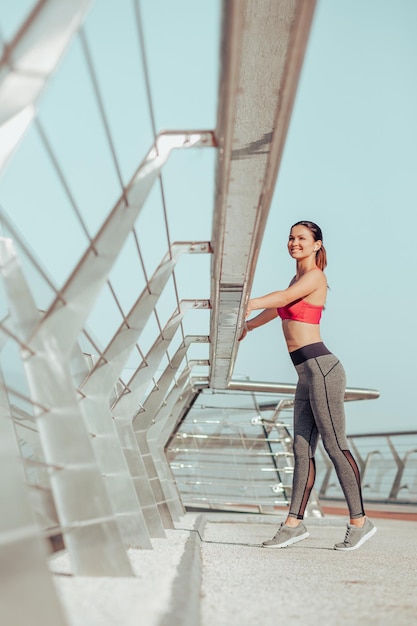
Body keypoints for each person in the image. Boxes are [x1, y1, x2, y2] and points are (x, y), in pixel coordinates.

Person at [241, 220, 376, 551]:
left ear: (317, 244)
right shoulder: (297, 278)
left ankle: (360, 522)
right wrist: (248, 326)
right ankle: (293, 525)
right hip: (306, 374)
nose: (293, 243)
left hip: (324, 370)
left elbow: (284, 297)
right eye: (290, 238)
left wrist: (249, 300)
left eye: (301, 238)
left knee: (334, 444)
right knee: (301, 450)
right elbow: (280, 306)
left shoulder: (315, 276)